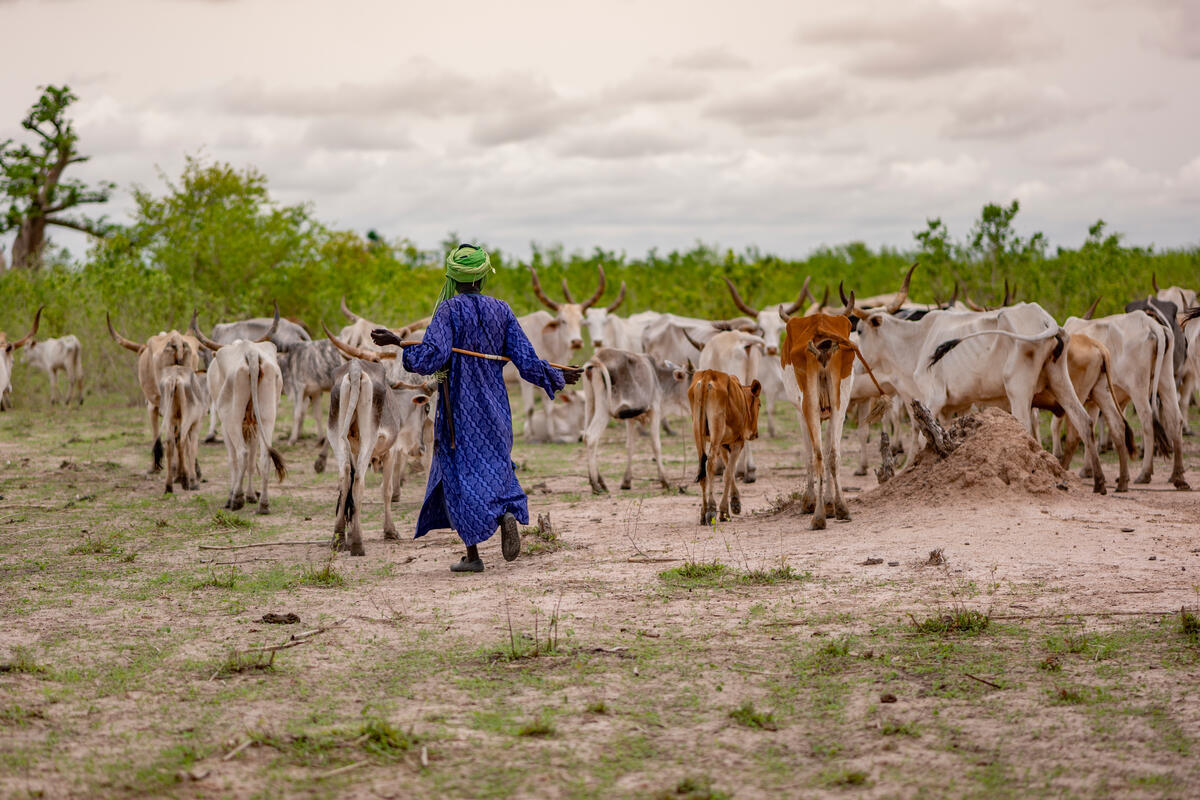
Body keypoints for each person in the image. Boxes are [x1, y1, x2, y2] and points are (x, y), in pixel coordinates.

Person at [371, 244, 582, 573]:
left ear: (453, 278)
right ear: (484, 276)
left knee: (460, 475)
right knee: (498, 465)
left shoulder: (449, 311)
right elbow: (526, 361)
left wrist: (398, 344)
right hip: (496, 407)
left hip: (459, 409)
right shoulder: (502, 310)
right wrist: (556, 375)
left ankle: (473, 555)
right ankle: (507, 511)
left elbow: (432, 358)